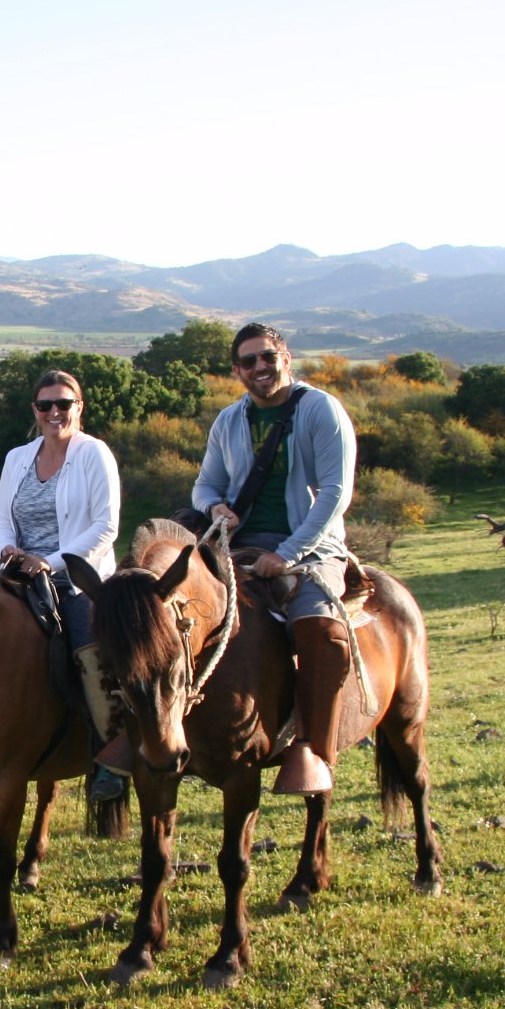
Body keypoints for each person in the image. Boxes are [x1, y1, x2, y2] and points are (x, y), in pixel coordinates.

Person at [192, 322, 357, 796]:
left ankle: (313, 748)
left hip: (312, 544)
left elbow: (335, 494)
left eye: (267, 356)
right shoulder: (229, 420)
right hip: (238, 543)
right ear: (237, 371)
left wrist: (288, 555)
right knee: (174, 613)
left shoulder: (321, 410)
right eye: (248, 361)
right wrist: (214, 508)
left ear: (285, 357)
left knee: (318, 630)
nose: (259, 367)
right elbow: (205, 485)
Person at [0, 369, 127, 803]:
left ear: (78, 408)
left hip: (78, 579)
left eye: (63, 404)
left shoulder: (94, 454)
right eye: (45, 405)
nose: (54, 412)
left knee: (89, 647)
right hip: (17, 573)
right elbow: (0, 519)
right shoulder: (17, 457)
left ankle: (111, 756)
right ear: (34, 410)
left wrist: (48, 562)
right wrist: (6, 549)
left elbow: (107, 526)